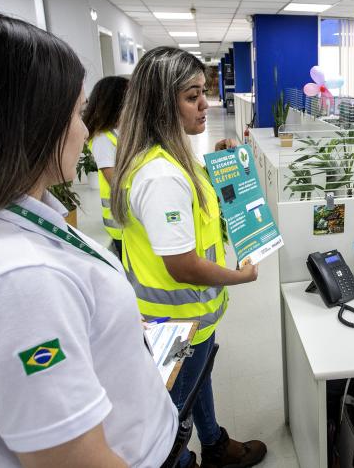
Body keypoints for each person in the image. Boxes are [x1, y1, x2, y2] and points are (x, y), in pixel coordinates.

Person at [0, 12, 185, 467]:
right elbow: (74, 460)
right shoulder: (14, 281)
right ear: (28, 123)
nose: (85, 130)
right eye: (76, 113)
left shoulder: (18, 224)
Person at [110, 47, 266, 468]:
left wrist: (222, 164)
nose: (205, 104)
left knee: (199, 379)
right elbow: (182, 265)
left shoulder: (172, 160)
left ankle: (214, 442)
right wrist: (240, 277)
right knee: (173, 416)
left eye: (203, 93)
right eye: (192, 96)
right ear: (163, 104)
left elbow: (196, 215)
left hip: (191, 319)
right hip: (177, 323)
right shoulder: (161, 176)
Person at [83, 75, 129, 256]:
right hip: (121, 223)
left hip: (133, 219)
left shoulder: (123, 131)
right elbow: (116, 181)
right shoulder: (103, 138)